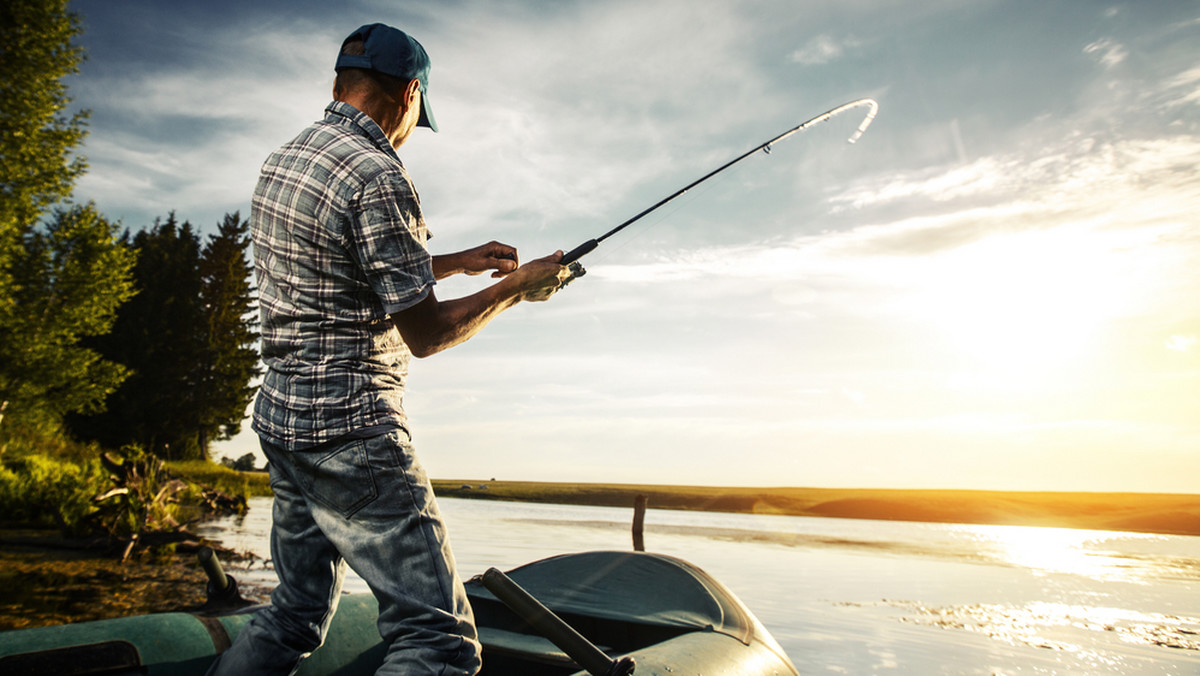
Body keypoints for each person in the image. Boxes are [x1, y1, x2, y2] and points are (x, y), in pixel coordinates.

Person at [207, 23, 573, 676]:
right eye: (416, 114)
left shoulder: (285, 160)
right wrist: (519, 288)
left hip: (286, 426)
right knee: (439, 644)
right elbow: (426, 334)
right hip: (354, 432)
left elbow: (341, 267)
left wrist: (456, 262)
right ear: (408, 95)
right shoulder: (379, 175)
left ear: (339, 84)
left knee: (292, 615)